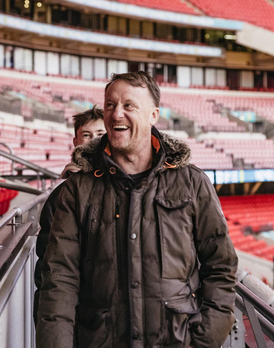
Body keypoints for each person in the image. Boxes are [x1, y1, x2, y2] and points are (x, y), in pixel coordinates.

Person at [37, 72, 238, 348]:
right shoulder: (77, 190)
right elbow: (59, 281)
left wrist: (202, 342)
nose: (116, 114)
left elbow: (221, 268)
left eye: (129, 105)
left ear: (154, 115)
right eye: (110, 105)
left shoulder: (192, 183)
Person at [34, 106, 105, 323]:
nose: (93, 140)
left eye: (100, 135)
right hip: (81, 309)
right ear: (75, 141)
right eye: (87, 135)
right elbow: (50, 265)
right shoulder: (65, 192)